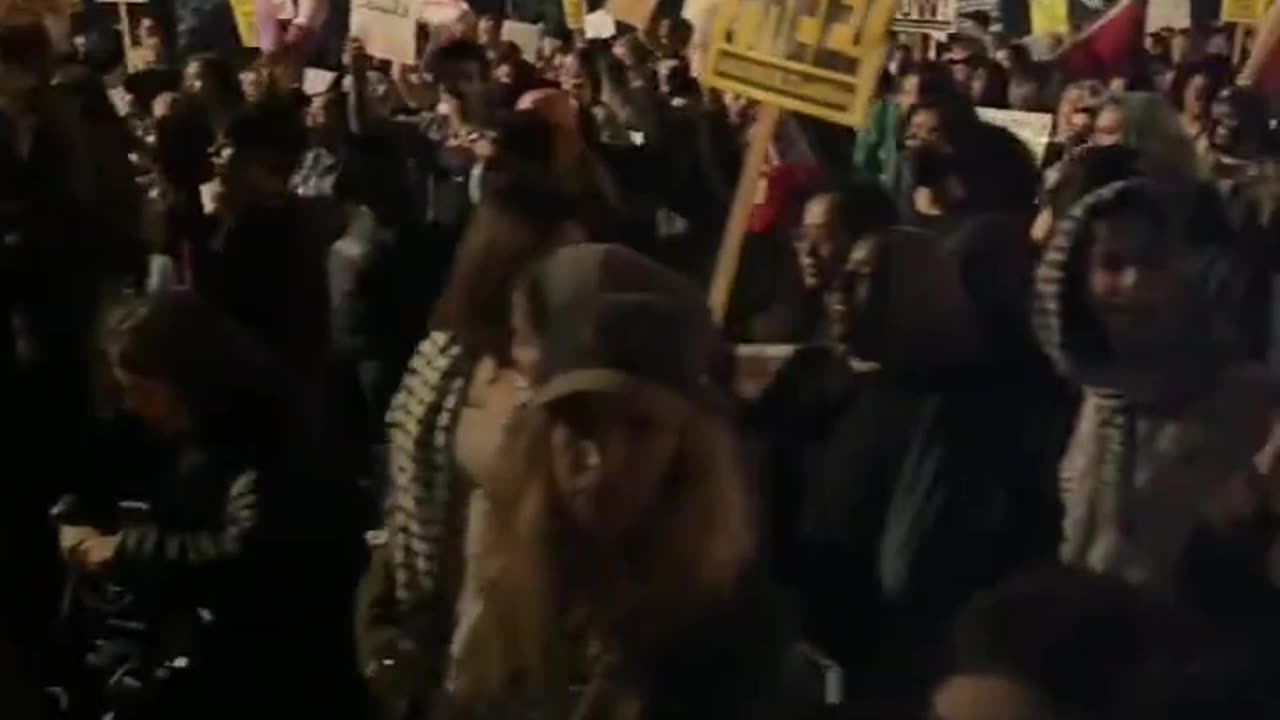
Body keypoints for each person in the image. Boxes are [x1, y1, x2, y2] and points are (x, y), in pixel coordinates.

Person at [440, 243, 811, 719]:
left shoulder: (736, 631)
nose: (601, 459)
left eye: (639, 430)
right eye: (578, 422)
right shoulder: (509, 573)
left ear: (687, 449)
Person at [57, 291, 364, 718]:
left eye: (143, 391)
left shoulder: (267, 440)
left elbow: (245, 554)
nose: (133, 405)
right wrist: (77, 512)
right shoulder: (182, 427)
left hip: (276, 669)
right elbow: (106, 467)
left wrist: (125, 549)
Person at [358, 178, 586, 719]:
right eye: (557, 263)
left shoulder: (578, 383)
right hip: (442, 634)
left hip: (533, 653)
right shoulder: (447, 361)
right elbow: (407, 495)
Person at [1033, 178, 1278, 597]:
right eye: (1112, 264)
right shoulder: (1070, 398)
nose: (1136, 283)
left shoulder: (1243, 399)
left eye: (1153, 262)